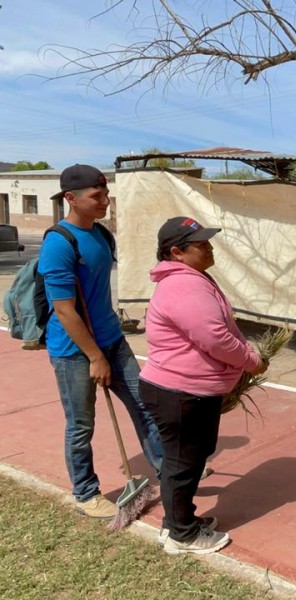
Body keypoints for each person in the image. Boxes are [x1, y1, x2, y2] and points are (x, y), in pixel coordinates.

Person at [38, 164, 163, 519]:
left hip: (112, 339)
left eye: (106, 194)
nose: (105, 201)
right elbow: (64, 310)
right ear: (70, 198)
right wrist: (95, 356)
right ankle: (85, 492)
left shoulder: (102, 234)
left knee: (146, 405)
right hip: (75, 352)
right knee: (81, 424)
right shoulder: (58, 244)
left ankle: (167, 468)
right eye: (97, 196)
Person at [139, 216, 267, 556]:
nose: (210, 248)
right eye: (202, 244)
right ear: (177, 251)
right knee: (183, 463)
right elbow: (215, 337)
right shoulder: (184, 286)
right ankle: (182, 535)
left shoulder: (188, 278)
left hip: (183, 391)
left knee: (185, 460)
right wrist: (251, 361)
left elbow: (216, 329)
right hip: (181, 393)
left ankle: (177, 522)